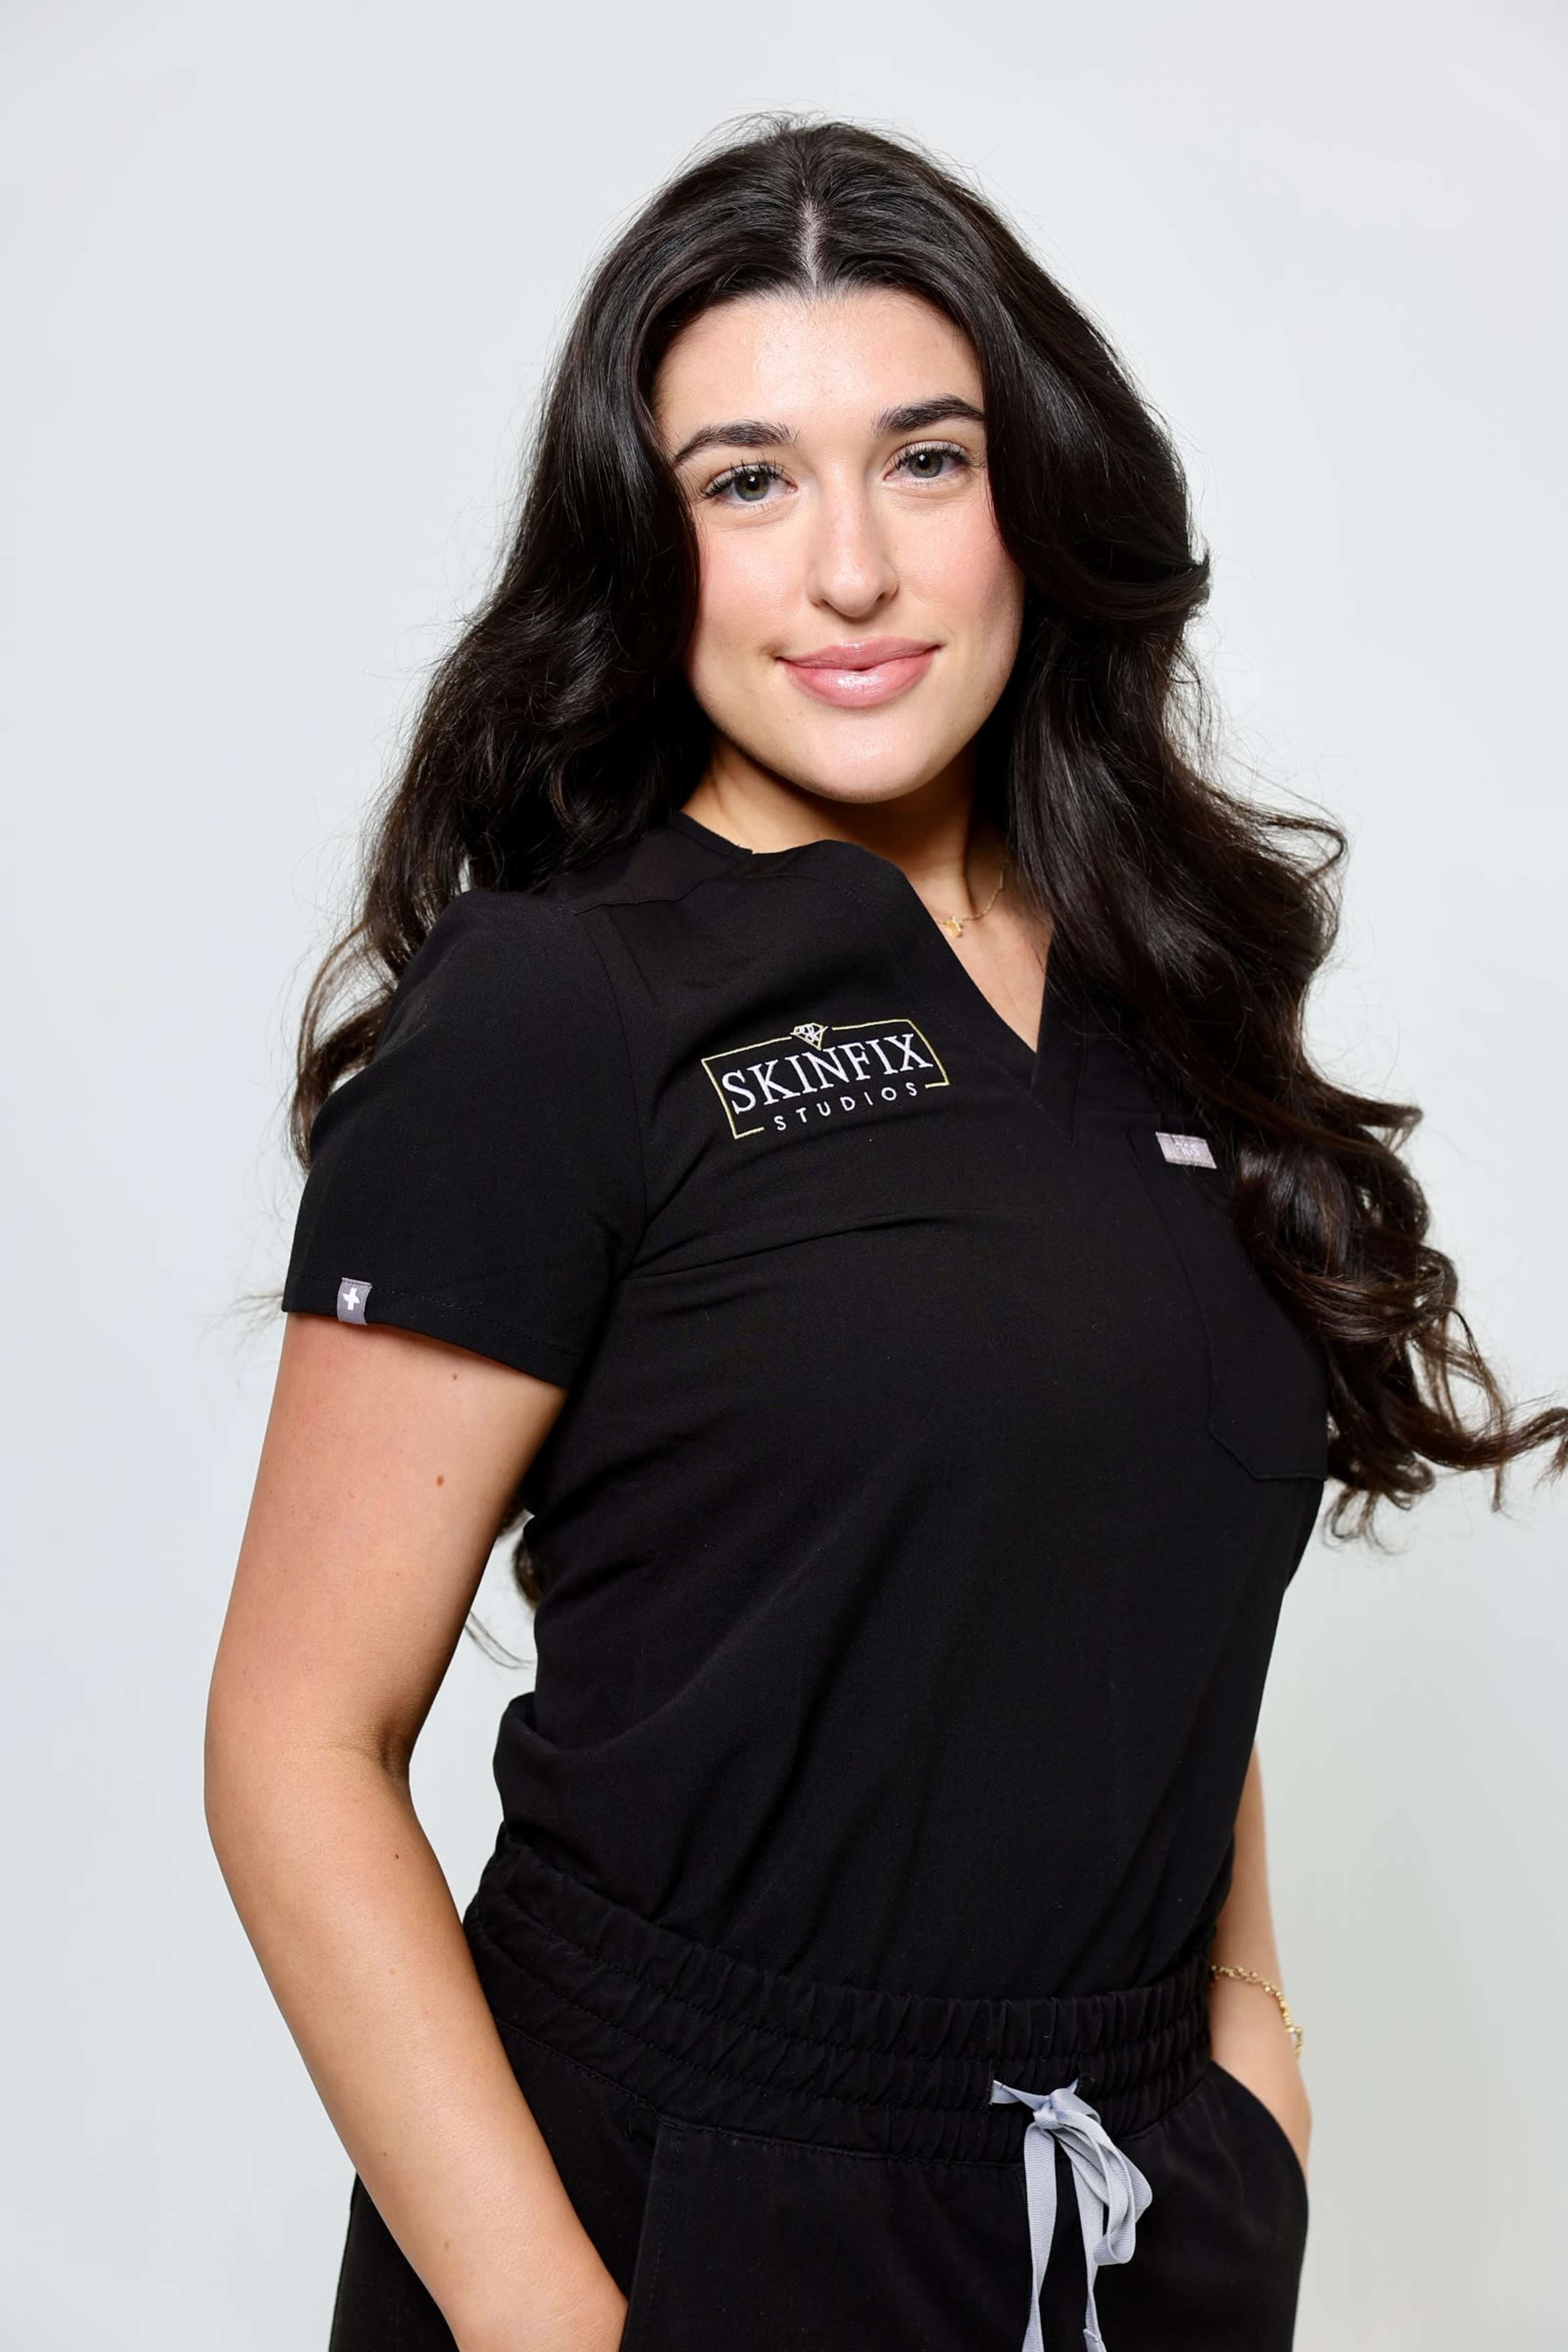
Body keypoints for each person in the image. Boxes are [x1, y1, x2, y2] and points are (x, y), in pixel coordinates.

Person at [204, 116, 1567, 2352]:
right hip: (676, 2206)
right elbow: (288, 1745)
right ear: (646, 552)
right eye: (747, 482)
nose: (850, 567)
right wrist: (559, 2326)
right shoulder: (562, 1008)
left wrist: (1251, 2058)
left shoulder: (1165, 988)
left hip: (1130, 2209)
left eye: (924, 460)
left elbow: (1106, 1537)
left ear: (1032, 494)